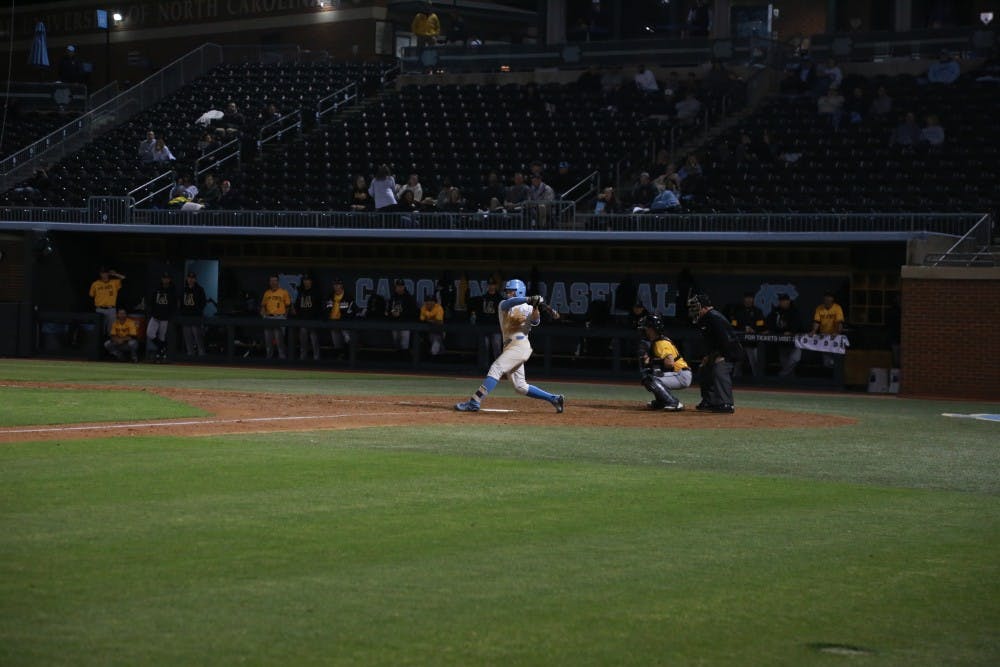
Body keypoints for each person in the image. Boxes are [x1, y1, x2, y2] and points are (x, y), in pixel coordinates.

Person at [455, 279, 564, 413]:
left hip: (520, 345)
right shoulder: (504, 304)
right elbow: (511, 302)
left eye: (511, 291)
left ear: (519, 291)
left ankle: (474, 402)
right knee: (520, 386)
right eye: (507, 291)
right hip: (510, 347)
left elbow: (535, 321)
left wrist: (535, 306)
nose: (508, 293)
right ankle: (554, 399)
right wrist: (528, 299)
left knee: (496, 368)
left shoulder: (529, 308)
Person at [687, 292, 742, 413]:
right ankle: (709, 401)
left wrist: (721, 356)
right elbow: (711, 341)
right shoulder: (705, 318)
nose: (693, 310)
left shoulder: (714, 317)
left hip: (729, 352)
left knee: (719, 369)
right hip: (718, 352)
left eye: (695, 307)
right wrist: (708, 356)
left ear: (703, 306)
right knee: (704, 369)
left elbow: (726, 339)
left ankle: (726, 403)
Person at [637, 314, 691, 411]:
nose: (643, 330)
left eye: (645, 327)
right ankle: (662, 401)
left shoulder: (661, 343)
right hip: (677, 373)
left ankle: (673, 402)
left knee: (650, 380)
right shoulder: (657, 341)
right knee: (651, 374)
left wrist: (651, 361)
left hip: (681, 374)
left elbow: (670, 363)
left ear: (652, 329)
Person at [766, 293, 804, 377]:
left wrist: (791, 332)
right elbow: (770, 322)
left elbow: (799, 325)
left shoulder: (794, 311)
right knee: (786, 365)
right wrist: (770, 330)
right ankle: (788, 382)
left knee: (795, 359)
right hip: (782, 343)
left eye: (784, 300)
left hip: (795, 342)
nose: (782, 302)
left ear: (788, 301)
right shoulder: (776, 311)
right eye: (781, 301)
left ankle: (781, 376)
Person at [729, 291, 765, 379]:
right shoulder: (737, 311)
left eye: (750, 298)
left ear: (753, 299)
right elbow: (733, 325)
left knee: (755, 364)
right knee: (737, 363)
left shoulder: (757, 311)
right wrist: (743, 329)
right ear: (744, 299)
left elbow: (761, 325)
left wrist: (754, 330)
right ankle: (735, 381)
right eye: (747, 298)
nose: (749, 300)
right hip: (740, 342)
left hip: (752, 343)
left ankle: (758, 381)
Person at [468, 279, 503, 362]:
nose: (491, 286)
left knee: (497, 348)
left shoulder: (500, 299)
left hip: (495, 327)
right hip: (484, 327)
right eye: (490, 285)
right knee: (484, 348)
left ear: (496, 286)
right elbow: (476, 311)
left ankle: (498, 367)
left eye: (493, 285)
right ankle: (484, 366)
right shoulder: (483, 298)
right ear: (487, 286)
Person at [146, 272, 176, 362]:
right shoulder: (157, 288)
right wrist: (152, 312)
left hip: (165, 317)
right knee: (150, 333)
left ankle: (160, 355)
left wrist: (170, 315)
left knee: (162, 336)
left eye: (167, 278)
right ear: (162, 279)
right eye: (164, 278)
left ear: (169, 280)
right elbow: (151, 301)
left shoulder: (172, 290)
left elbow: (173, 305)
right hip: (155, 316)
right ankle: (163, 348)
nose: (165, 280)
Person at [260, 274, 291, 360]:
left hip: (279, 317)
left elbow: (288, 306)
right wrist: (263, 315)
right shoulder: (267, 293)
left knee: (279, 340)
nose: (273, 282)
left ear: (278, 282)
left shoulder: (284, 292)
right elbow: (263, 306)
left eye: (275, 280)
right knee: (268, 340)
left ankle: (282, 358)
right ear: (269, 282)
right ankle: (269, 359)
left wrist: (285, 316)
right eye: (271, 281)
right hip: (268, 317)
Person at [811, 292, 845, 369]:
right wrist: (814, 331)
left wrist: (837, 332)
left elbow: (840, 323)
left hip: (835, 336)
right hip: (824, 336)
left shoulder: (837, 308)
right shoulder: (819, 308)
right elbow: (817, 321)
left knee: (835, 359)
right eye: (825, 300)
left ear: (832, 300)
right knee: (826, 360)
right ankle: (827, 373)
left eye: (829, 300)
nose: (827, 302)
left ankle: (836, 373)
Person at [325, 277, 357, 359]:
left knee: (348, 339)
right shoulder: (330, 296)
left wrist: (345, 322)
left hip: (344, 324)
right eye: (335, 285)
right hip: (333, 323)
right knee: (337, 344)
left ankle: (348, 358)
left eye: (338, 284)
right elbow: (326, 310)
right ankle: (339, 358)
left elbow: (353, 312)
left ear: (341, 285)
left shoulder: (348, 297)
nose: (336, 286)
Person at [292, 273, 322, 361]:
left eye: (308, 280)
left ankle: (316, 359)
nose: (306, 282)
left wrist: (317, 318)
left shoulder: (315, 292)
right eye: (305, 280)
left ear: (311, 281)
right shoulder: (301, 292)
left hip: (313, 321)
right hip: (303, 321)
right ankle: (303, 359)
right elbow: (297, 306)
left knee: (314, 342)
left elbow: (319, 307)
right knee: (303, 342)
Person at [89, 267, 126, 334]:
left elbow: (124, 278)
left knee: (112, 330)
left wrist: (115, 274)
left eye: (106, 273)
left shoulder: (114, 282)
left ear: (108, 274)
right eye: (103, 273)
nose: (104, 275)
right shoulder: (95, 284)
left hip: (111, 309)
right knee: (100, 329)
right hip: (100, 309)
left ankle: (110, 340)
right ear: (100, 274)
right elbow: (91, 295)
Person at [180, 271, 208, 356]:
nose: (191, 279)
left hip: (196, 317)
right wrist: (183, 312)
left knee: (198, 336)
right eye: (189, 278)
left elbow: (203, 302)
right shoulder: (184, 289)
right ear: (187, 279)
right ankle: (190, 355)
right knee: (187, 337)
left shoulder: (199, 289)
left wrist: (198, 311)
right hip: (186, 317)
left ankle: (201, 355)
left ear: (195, 279)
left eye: (192, 278)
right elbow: (181, 302)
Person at [387, 279, 417, 353]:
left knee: (404, 344)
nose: (399, 288)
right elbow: (389, 309)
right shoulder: (393, 297)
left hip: (405, 323)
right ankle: (397, 358)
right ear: (396, 287)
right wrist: (392, 313)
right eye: (398, 286)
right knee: (395, 343)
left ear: (404, 287)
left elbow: (413, 312)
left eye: (401, 286)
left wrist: (401, 314)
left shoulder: (409, 298)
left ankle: (405, 357)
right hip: (395, 323)